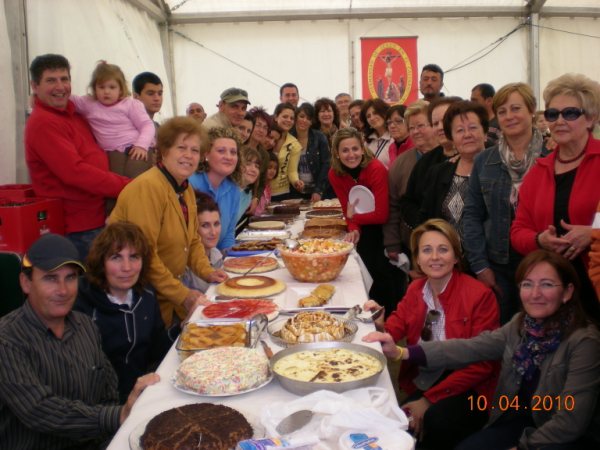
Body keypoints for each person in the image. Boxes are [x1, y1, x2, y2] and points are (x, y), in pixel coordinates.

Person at [389, 249, 600, 450]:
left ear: (567, 292)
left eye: (546, 284)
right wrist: (403, 352)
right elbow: (472, 347)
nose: (535, 294)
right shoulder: (522, 324)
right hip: (519, 417)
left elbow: (571, 421)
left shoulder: (584, 342)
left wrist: (523, 447)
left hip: (561, 437)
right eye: (527, 284)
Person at [0, 234, 158, 449]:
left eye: (71, 278)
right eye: (50, 278)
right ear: (26, 283)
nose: (63, 290)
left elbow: (108, 390)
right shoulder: (7, 339)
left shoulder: (85, 325)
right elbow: (38, 411)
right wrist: (115, 416)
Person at [363, 219, 500, 449]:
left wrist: (429, 400)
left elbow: (482, 364)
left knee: (433, 421)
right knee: (396, 421)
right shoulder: (416, 289)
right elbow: (396, 326)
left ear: (456, 257)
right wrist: (379, 325)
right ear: (417, 258)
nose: (435, 257)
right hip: (428, 375)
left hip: (471, 385)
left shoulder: (480, 295)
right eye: (427, 250)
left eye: (443, 249)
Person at [110, 117, 228, 329]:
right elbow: (145, 254)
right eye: (181, 147)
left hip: (166, 298)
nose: (188, 156)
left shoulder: (185, 189)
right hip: (140, 301)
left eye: (194, 150)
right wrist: (182, 294)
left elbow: (192, 241)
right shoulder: (148, 187)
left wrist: (207, 271)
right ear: (164, 151)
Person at [510, 73, 600, 323]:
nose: (559, 120)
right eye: (552, 114)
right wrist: (540, 239)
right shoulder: (539, 171)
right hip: (554, 296)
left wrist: (591, 233)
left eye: (570, 113)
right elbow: (518, 231)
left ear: (590, 118)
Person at [25, 54, 129, 260]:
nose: (60, 86)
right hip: (77, 228)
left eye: (64, 79)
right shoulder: (44, 123)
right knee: (92, 287)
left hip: (99, 217)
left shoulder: (75, 114)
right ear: (35, 86)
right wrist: (129, 186)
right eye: (51, 80)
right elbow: (75, 172)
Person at [463, 83, 544, 325]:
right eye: (502, 111)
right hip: (498, 266)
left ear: (531, 111)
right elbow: (472, 215)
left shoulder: (552, 156)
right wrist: (480, 266)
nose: (509, 116)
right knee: (500, 335)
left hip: (542, 262)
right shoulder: (484, 160)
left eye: (516, 108)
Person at [75, 222, 171, 402]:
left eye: (134, 257)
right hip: (100, 407)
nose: (127, 267)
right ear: (101, 262)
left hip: (142, 393)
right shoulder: (81, 304)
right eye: (116, 257)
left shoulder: (147, 295)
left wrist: (181, 327)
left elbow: (156, 350)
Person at [328, 127, 403, 312]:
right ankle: (372, 314)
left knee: (384, 275)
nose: (351, 154)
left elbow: (381, 214)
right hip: (364, 229)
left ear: (362, 148)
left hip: (385, 229)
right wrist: (354, 229)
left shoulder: (375, 168)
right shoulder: (334, 174)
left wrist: (354, 219)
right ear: (337, 154)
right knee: (367, 273)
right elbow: (348, 210)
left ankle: (391, 318)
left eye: (355, 149)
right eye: (345, 150)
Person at [71, 61, 155, 179]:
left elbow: (147, 125)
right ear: (94, 88)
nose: (106, 91)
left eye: (112, 87)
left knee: (133, 178)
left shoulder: (130, 104)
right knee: (116, 181)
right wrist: (39, 96)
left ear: (120, 89)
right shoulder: (89, 103)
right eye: (101, 87)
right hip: (112, 151)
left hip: (137, 146)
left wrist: (141, 145)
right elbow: (68, 98)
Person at [419, 101, 488, 237]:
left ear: (485, 132)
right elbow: (426, 218)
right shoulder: (438, 172)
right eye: (460, 130)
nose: (467, 134)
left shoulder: (499, 170)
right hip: (446, 255)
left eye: (473, 128)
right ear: (452, 137)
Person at [383, 100, 438, 263]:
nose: (416, 132)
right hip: (413, 244)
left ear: (434, 125)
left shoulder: (452, 157)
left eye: (421, 126)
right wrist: (392, 243)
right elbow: (393, 206)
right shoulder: (401, 163)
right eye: (412, 128)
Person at [399, 96, 462, 237]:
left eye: (445, 120)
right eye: (435, 123)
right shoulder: (427, 163)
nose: (441, 127)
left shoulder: (479, 157)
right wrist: (425, 227)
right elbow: (408, 202)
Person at [190, 127, 243, 250]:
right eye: (221, 151)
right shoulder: (189, 184)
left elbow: (229, 234)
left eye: (233, 152)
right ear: (206, 154)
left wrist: (228, 261)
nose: (229, 157)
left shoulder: (234, 190)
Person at [182, 192, 226, 293]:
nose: (213, 232)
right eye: (205, 225)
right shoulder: (185, 268)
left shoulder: (216, 254)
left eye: (216, 224)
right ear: (193, 229)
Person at [290, 102, 332, 201]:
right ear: (296, 117)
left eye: (308, 118)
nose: (304, 120)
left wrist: (318, 190)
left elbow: (327, 164)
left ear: (312, 122)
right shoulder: (289, 137)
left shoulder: (320, 137)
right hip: (295, 191)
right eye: (302, 116)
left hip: (318, 191)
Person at [270, 102, 302, 201]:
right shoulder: (265, 137)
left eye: (292, 118)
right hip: (261, 191)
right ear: (276, 117)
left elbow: (292, 171)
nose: (288, 120)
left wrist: (296, 182)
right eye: (285, 116)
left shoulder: (294, 144)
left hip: (282, 192)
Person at [360, 98, 392, 168]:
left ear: (384, 112)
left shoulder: (395, 138)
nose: (372, 118)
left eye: (375, 113)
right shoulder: (367, 142)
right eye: (368, 116)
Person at [236, 147, 262, 229]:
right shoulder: (225, 190)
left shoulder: (248, 194)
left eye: (257, 166)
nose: (254, 169)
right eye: (248, 164)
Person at [471, 83, 501, 147]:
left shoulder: (500, 123)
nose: (471, 104)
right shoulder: (474, 123)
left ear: (489, 101)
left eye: (475, 101)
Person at [254, 152, 279, 216]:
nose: (272, 171)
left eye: (275, 168)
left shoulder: (268, 186)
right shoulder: (257, 185)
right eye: (269, 167)